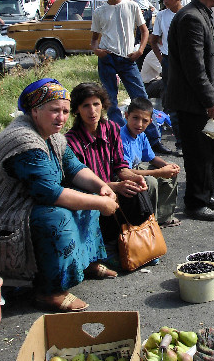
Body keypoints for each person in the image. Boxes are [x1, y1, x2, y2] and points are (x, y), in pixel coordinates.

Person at [0, 79, 119, 312]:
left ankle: (86, 262)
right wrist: (101, 203)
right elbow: (50, 193)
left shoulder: (54, 136)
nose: (62, 117)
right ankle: (49, 291)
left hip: (26, 207)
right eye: (54, 110)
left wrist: (100, 187)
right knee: (56, 217)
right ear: (35, 110)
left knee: (87, 194)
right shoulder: (24, 141)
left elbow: (74, 168)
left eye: (65, 111)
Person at [166, 0, 214, 221]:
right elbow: (195, 67)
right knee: (197, 153)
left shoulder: (203, 13)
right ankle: (195, 202)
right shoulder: (191, 17)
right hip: (190, 100)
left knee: (209, 150)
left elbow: (211, 64)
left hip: (201, 97)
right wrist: (210, 98)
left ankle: (205, 194)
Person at [65, 83, 153, 260]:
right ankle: (112, 246)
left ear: (103, 105)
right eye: (86, 106)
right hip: (90, 193)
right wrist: (114, 186)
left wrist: (135, 178)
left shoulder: (111, 128)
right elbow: (80, 180)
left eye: (96, 104)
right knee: (114, 197)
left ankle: (143, 240)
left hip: (111, 184)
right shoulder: (71, 141)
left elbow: (120, 167)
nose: (92, 111)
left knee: (137, 189)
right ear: (76, 110)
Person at [90, 0, 169, 154]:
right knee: (110, 100)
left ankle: (154, 139)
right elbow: (94, 39)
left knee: (140, 97)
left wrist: (140, 50)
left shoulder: (131, 6)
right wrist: (96, 50)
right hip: (107, 57)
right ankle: (120, 138)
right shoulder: (100, 11)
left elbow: (144, 31)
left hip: (128, 58)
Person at [119, 97, 180, 227]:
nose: (139, 124)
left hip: (138, 169)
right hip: (125, 174)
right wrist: (158, 172)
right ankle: (148, 221)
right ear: (126, 116)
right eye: (135, 118)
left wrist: (168, 167)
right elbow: (126, 171)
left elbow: (152, 158)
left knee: (170, 174)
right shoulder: (122, 138)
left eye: (144, 121)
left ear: (150, 122)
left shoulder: (141, 135)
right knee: (151, 181)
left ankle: (164, 217)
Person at [149, 0, 184, 156]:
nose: (165, 0)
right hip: (169, 62)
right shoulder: (161, 15)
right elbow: (153, 40)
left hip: (187, 62)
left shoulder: (188, 13)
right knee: (172, 102)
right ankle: (180, 142)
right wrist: (162, 59)